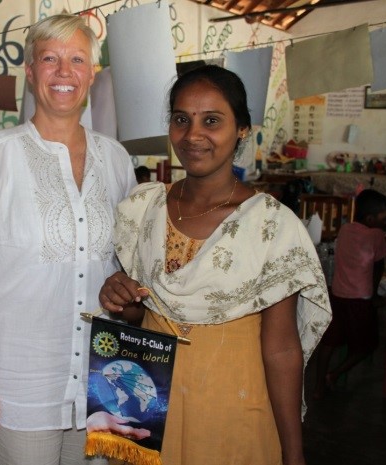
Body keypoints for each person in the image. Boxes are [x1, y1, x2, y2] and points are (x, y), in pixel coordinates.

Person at [98, 65, 331, 465]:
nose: (193, 135)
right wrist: (118, 294)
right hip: (149, 405)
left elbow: (281, 349)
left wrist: (294, 454)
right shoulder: (144, 208)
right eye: (181, 120)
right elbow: (141, 315)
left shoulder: (271, 226)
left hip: (232, 407)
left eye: (211, 121)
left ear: (242, 129)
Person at [0, 14, 136, 465]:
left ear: (92, 74)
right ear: (30, 72)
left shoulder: (117, 159)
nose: (64, 71)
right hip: (17, 386)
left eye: (77, 59)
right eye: (50, 59)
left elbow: (125, 264)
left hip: (103, 383)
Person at [313, 189, 386, 400]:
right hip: (360, 299)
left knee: (329, 343)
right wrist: (375, 296)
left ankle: (318, 387)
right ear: (370, 219)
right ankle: (334, 374)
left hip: (337, 295)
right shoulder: (376, 235)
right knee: (367, 345)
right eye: (383, 218)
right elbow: (379, 267)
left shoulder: (345, 229)